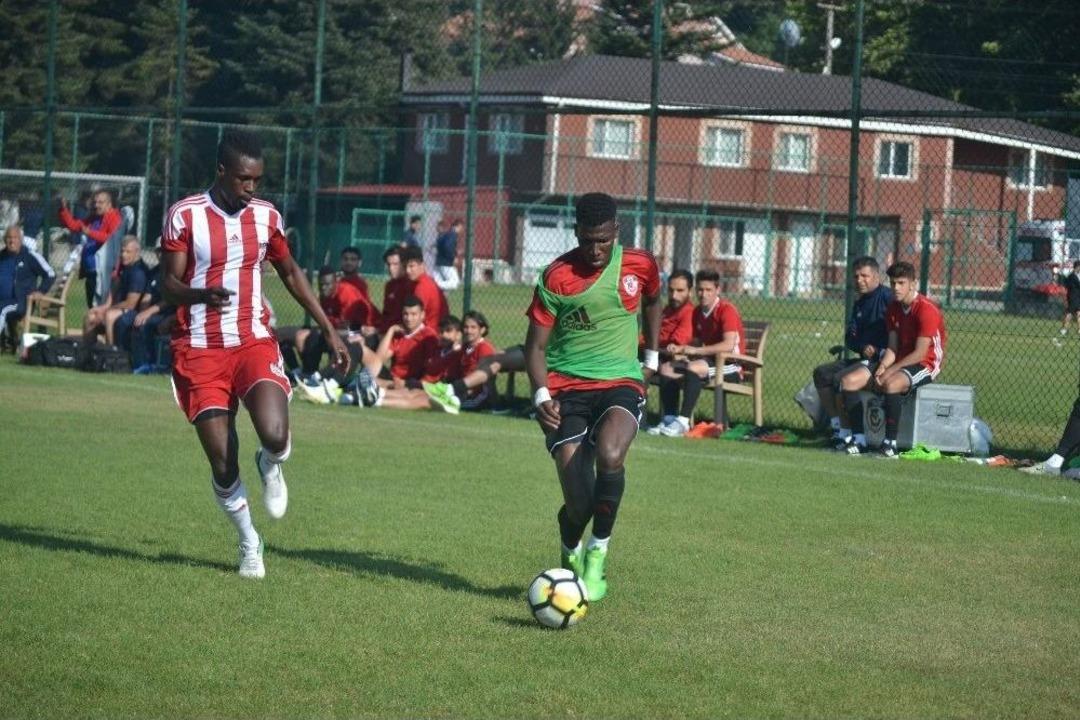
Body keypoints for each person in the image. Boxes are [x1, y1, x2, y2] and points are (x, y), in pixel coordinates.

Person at [160, 129, 349, 579]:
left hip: (251, 340)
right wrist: (198, 294)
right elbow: (167, 284)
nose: (251, 188)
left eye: (258, 180)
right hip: (200, 349)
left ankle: (271, 463)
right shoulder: (185, 215)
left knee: (276, 434)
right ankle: (249, 541)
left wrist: (329, 329)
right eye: (244, 179)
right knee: (223, 461)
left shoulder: (266, 217)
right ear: (221, 171)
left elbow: (290, 272)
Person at [525, 192, 661, 602]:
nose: (596, 249)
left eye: (603, 240)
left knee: (611, 454)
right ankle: (571, 554)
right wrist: (540, 395)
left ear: (616, 231)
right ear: (576, 232)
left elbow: (654, 300)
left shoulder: (640, 264)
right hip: (567, 390)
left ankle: (598, 554)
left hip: (621, 380)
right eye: (587, 240)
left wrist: (651, 358)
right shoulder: (556, 276)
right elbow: (534, 348)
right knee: (579, 505)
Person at [840, 261, 947, 457]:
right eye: (893, 283)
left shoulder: (926, 309)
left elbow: (920, 353)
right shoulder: (893, 309)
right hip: (901, 361)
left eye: (901, 283)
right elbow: (892, 347)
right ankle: (859, 439)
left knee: (891, 384)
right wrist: (882, 366)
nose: (896, 288)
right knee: (849, 381)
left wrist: (890, 370)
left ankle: (890, 444)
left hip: (926, 364)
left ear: (913, 284)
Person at [811, 256, 893, 448]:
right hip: (863, 358)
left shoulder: (887, 299)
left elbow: (900, 333)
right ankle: (838, 428)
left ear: (876, 277)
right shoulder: (859, 303)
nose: (859, 280)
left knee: (841, 378)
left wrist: (880, 351)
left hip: (882, 361)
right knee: (822, 373)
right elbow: (850, 337)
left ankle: (853, 436)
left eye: (864, 276)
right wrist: (863, 346)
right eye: (856, 276)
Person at [651, 269, 744, 437]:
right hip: (708, 362)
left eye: (708, 290)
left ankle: (683, 422)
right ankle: (669, 419)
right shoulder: (698, 313)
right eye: (700, 290)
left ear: (717, 290)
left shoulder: (726, 310)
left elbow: (729, 345)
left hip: (732, 365)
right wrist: (680, 349)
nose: (703, 294)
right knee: (667, 368)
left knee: (694, 368)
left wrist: (697, 351)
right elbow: (695, 341)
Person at [115, 242, 177, 373]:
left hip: (168, 313)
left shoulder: (176, 272)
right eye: (159, 251)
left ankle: (146, 364)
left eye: (165, 251)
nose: (161, 254)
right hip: (151, 312)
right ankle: (122, 359)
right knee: (124, 320)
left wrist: (147, 313)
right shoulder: (155, 272)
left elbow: (170, 299)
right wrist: (141, 312)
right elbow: (147, 297)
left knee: (144, 324)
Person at [57, 189, 123, 308]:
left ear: (109, 204)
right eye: (95, 202)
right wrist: (63, 210)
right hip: (91, 271)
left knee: (99, 309)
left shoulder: (115, 217)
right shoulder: (93, 218)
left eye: (100, 202)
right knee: (91, 307)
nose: (96, 205)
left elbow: (111, 239)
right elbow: (74, 225)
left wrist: (90, 232)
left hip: (104, 273)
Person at [423, 310, 498, 413]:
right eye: (466, 327)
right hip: (459, 391)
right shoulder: (466, 348)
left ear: (482, 330)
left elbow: (484, 379)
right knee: (420, 394)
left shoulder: (484, 349)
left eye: (473, 327)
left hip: (476, 398)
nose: (468, 331)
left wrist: (462, 392)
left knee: (425, 401)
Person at [84, 236, 148, 346]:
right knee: (91, 315)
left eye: (128, 252)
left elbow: (130, 304)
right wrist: (103, 307)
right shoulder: (125, 267)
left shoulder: (138, 273)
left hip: (134, 312)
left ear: (137, 252)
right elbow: (114, 288)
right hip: (118, 308)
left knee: (109, 315)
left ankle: (112, 355)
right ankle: (89, 355)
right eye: (122, 251)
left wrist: (106, 310)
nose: (123, 255)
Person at [0, 225, 54, 351]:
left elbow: (50, 274)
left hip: (20, 301)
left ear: (21, 240)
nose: (12, 241)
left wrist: (41, 291)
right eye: (8, 238)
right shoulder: (1, 257)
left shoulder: (30, 256)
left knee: (1, 309)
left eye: (15, 238)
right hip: (3, 300)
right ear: (4, 240)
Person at [401, 244, 449, 332]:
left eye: (411, 266)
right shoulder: (418, 282)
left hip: (430, 334)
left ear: (422, 265)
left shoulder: (423, 286)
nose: (407, 270)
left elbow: (414, 321)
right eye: (405, 267)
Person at [433, 219, 462, 291]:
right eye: (461, 228)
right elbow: (447, 247)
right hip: (446, 263)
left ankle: (435, 290)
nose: (461, 230)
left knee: (442, 283)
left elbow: (443, 247)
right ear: (458, 226)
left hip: (439, 262)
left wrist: (455, 252)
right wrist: (453, 258)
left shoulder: (446, 234)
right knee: (454, 283)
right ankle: (432, 286)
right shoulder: (453, 234)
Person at [1060, 261, 1080, 336]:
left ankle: (1079, 330)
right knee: (1069, 313)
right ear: (1077, 267)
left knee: (1078, 313)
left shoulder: (1075, 275)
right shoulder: (1072, 276)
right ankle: (1064, 329)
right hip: (1073, 297)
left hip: (1077, 297)